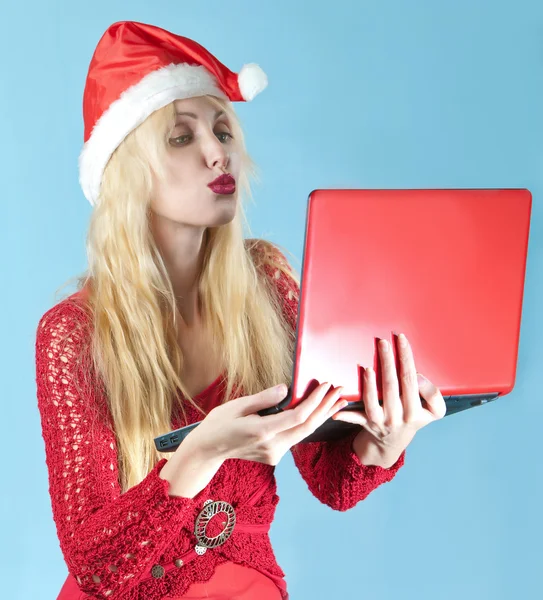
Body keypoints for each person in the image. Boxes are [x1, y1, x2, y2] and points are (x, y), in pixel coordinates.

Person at [35, 21, 446, 600]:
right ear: (128, 172)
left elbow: (332, 482)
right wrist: (202, 452)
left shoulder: (269, 285)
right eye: (181, 138)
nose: (215, 152)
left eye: (222, 130)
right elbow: (97, 570)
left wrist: (382, 441)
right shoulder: (71, 334)